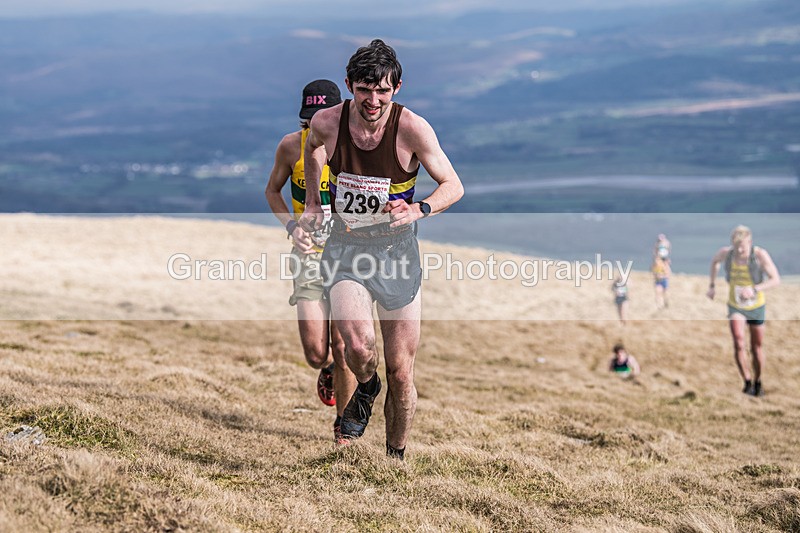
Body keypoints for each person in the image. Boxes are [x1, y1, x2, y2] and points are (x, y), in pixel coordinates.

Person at [298, 39, 464, 459]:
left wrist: (419, 209)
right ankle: (367, 386)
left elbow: (453, 185)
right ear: (349, 84)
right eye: (364, 90)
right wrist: (315, 203)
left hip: (396, 254)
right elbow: (313, 148)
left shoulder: (413, 128)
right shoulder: (328, 121)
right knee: (357, 347)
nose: (373, 101)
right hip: (346, 248)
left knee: (401, 373)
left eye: (383, 91)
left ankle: (395, 457)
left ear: (397, 88)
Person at [265, 79, 357, 439]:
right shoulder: (291, 146)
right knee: (317, 353)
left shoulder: (353, 147)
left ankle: (344, 427)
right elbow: (272, 191)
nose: (314, 124)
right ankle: (328, 368)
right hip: (308, 255)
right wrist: (291, 227)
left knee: (344, 344)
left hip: (348, 257)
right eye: (308, 118)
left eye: (321, 117)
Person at [707, 225, 780, 396]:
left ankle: (758, 381)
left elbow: (776, 279)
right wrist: (712, 285)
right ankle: (747, 382)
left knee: (756, 347)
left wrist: (754, 289)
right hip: (736, 306)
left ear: (750, 242)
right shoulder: (727, 253)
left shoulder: (760, 255)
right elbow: (714, 262)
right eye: (736, 246)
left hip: (756, 306)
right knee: (739, 341)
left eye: (743, 247)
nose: (740, 250)